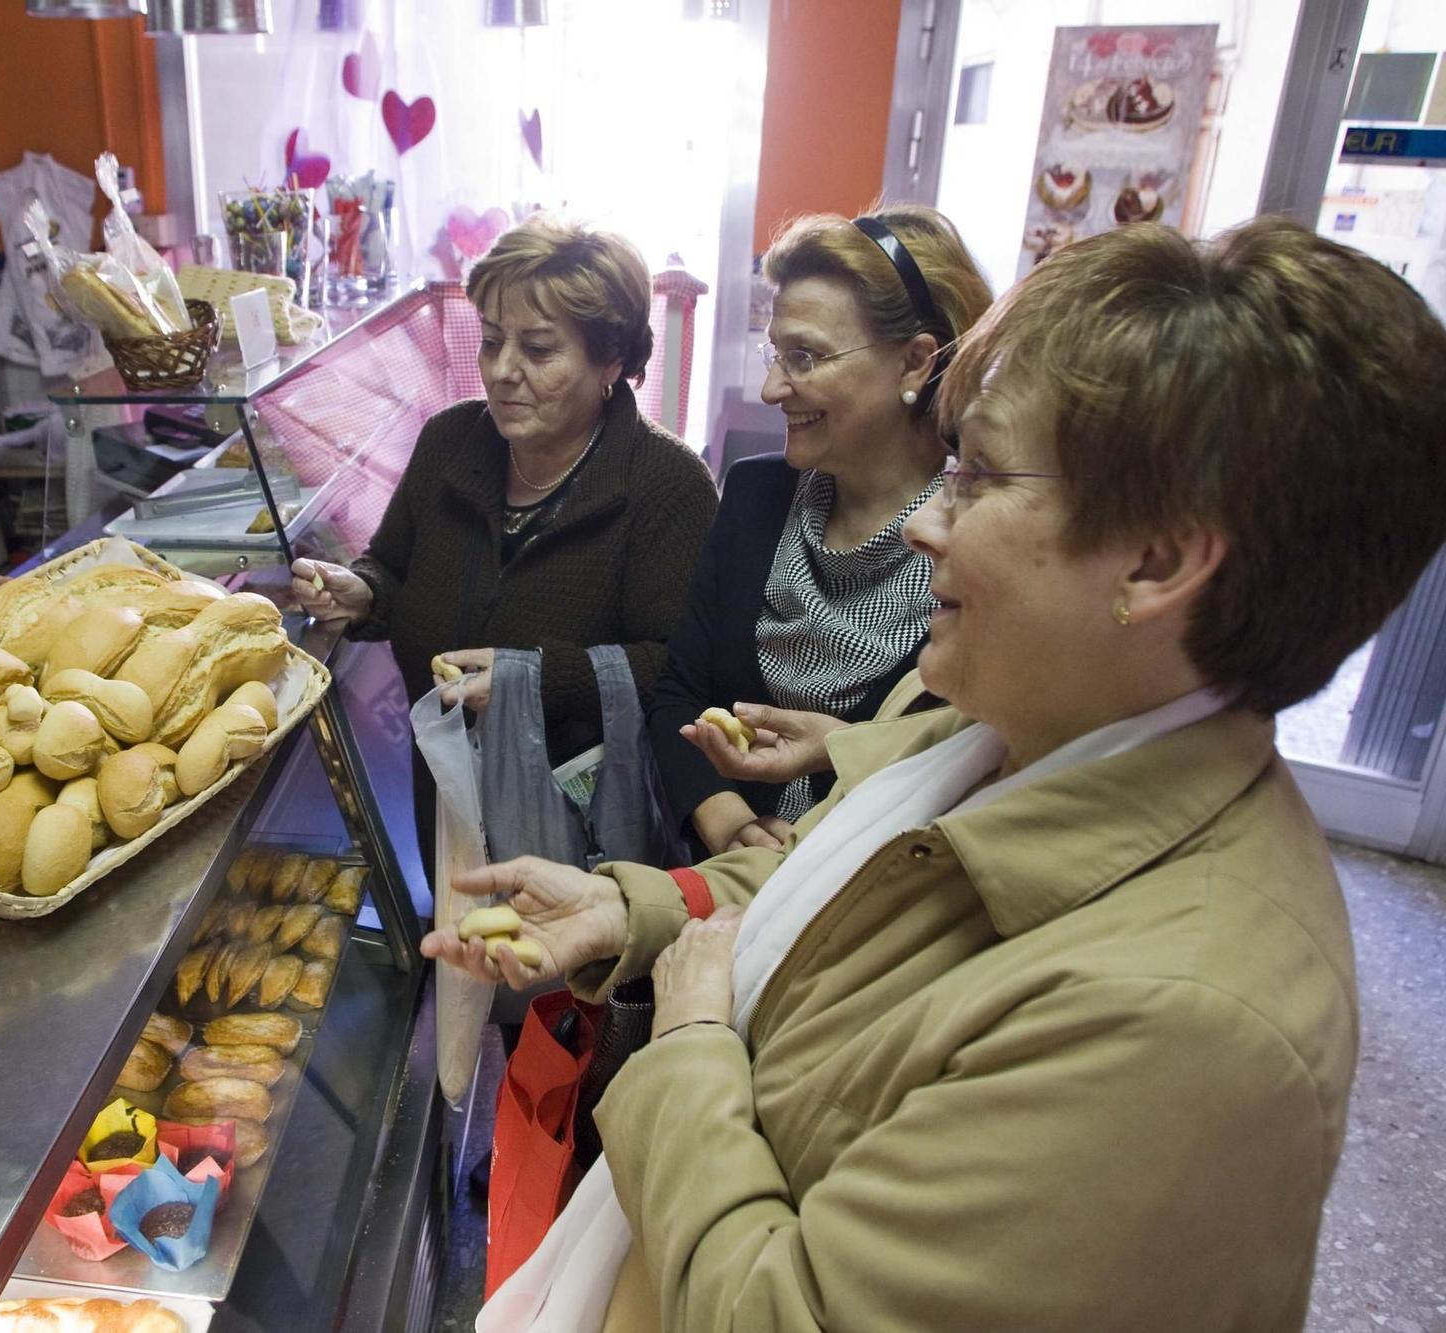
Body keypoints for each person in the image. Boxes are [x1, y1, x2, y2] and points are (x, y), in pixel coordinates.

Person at [430, 216, 1446, 1330]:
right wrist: (637, 909)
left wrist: (685, 1046)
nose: (929, 528)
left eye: (977, 476)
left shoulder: (1173, 1028)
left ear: (1154, 561)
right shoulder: (1005, 724)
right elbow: (845, 887)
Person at [291, 214, 718, 874]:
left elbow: (681, 672)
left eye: (540, 350)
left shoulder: (667, 485)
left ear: (611, 360)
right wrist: (365, 591)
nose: (503, 371)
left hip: (589, 846)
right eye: (492, 342)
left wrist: (537, 679)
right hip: (450, 813)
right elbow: (395, 568)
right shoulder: (449, 444)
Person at [651, 206, 991, 857]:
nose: (774, 386)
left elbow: (974, 771)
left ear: (917, 363)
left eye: (804, 357)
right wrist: (727, 822)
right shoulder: (756, 495)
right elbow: (678, 695)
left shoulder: (976, 547)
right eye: (775, 353)